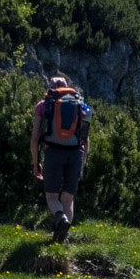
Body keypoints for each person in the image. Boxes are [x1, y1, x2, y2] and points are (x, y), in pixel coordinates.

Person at [30, 75, 91, 244]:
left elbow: (34, 138)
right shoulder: (80, 105)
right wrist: (82, 165)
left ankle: (60, 217)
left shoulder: (43, 105)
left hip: (53, 152)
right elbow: (85, 138)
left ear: (50, 88)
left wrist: (36, 164)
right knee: (68, 198)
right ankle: (62, 239)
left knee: (51, 196)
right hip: (76, 153)